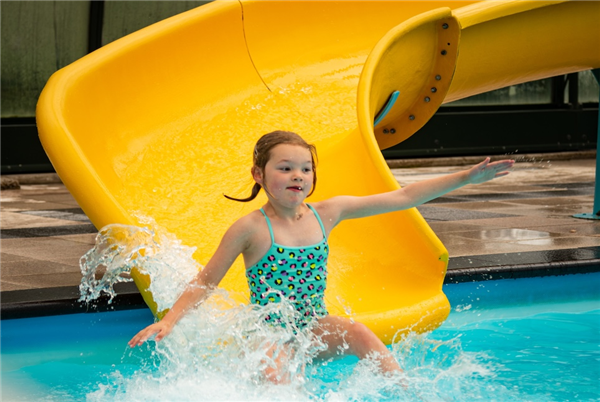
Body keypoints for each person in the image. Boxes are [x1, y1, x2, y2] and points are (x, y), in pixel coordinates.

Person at [128, 130, 514, 380]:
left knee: (360, 333)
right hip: (269, 333)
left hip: (313, 326)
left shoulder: (327, 213)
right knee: (279, 377)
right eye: (285, 168)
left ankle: (403, 391)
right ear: (259, 174)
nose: (298, 175)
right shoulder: (250, 229)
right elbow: (206, 280)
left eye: (305, 169)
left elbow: (403, 196)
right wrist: (170, 321)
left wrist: (466, 178)